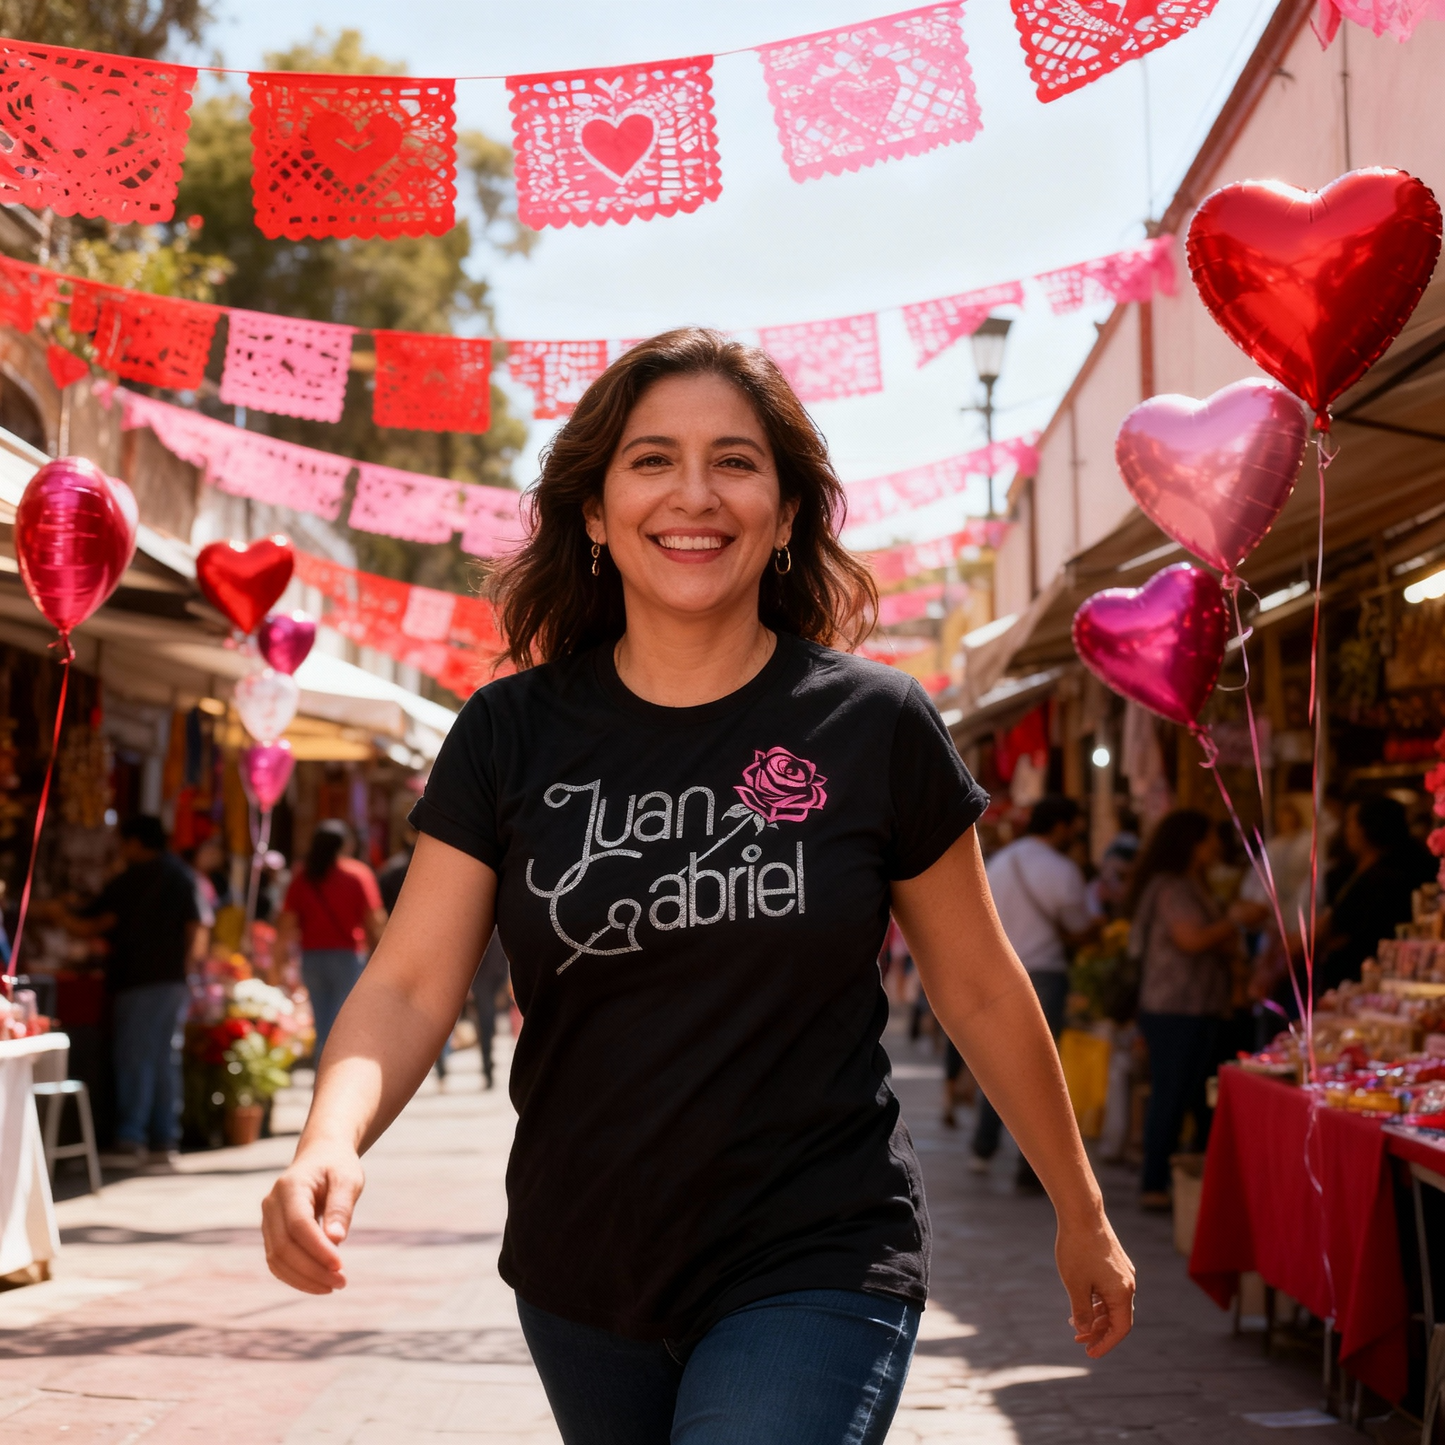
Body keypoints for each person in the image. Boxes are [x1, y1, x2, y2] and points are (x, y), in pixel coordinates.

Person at [261, 329, 1134, 1444]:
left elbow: (974, 983)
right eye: (650, 459)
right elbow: (412, 984)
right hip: (583, 1269)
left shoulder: (872, 724)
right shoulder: (507, 734)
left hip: (817, 1247)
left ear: (783, 510)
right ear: (592, 510)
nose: (693, 493)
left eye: (734, 459)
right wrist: (325, 1141)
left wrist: (1080, 1206)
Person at [43, 815, 206, 1169]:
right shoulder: (180, 875)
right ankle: (164, 1139)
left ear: (135, 842)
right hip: (172, 981)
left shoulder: (134, 879)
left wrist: (59, 915)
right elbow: (197, 926)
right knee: (163, 1060)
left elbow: (94, 924)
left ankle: (131, 1139)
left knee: (136, 1059)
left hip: (140, 979)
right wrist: (187, 970)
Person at [1127, 809, 1264, 1210]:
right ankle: (1154, 1183)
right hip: (1175, 1006)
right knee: (1171, 1093)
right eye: (1209, 838)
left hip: (1198, 1005)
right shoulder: (1172, 887)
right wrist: (1234, 922)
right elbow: (1190, 939)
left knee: (1189, 1095)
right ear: (1193, 842)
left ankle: (1185, 1180)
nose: (1216, 846)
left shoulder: (1190, 884)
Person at [971, 795, 1099, 1186]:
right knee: (1042, 1073)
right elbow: (1078, 927)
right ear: (1060, 826)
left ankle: (983, 1145)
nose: (1076, 834)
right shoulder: (1062, 870)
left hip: (999, 971)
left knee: (998, 1064)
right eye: (1074, 826)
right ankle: (1032, 1169)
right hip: (1042, 974)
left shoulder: (1000, 862)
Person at [278, 821, 386, 1063]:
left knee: (322, 1022)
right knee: (344, 1023)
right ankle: (335, 1075)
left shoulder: (303, 877)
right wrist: (382, 957)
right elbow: (374, 920)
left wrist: (278, 960)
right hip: (347, 958)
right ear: (345, 844)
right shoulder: (358, 874)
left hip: (312, 958)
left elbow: (286, 923)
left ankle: (322, 1072)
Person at [1318, 794, 1436, 994]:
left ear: (1368, 829)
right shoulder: (1351, 871)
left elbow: (1346, 930)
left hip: (1368, 981)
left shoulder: (1385, 877)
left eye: (1351, 824)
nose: (1346, 831)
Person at [471, 929, 510, 1090]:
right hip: (482, 988)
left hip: (488, 987)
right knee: (485, 1029)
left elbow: (505, 962)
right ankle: (487, 1066)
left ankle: (488, 1065)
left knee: (487, 1029)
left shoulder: (496, 935)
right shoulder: (476, 935)